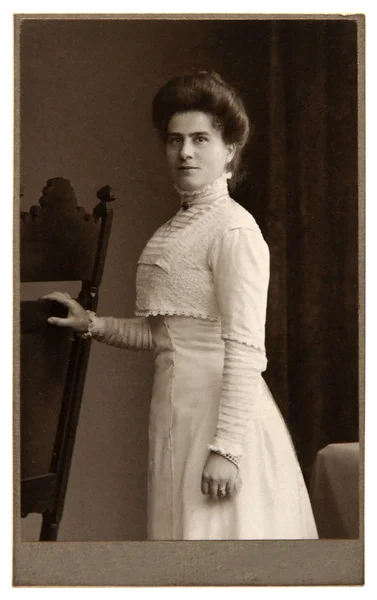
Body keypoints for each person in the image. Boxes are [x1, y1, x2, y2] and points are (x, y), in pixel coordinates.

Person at [42, 71, 318, 540]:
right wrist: (93, 323)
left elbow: (246, 349)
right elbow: (164, 333)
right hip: (176, 417)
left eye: (200, 139)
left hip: (222, 423)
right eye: (174, 140)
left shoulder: (234, 230)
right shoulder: (179, 226)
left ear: (230, 149)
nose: (184, 152)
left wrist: (227, 450)